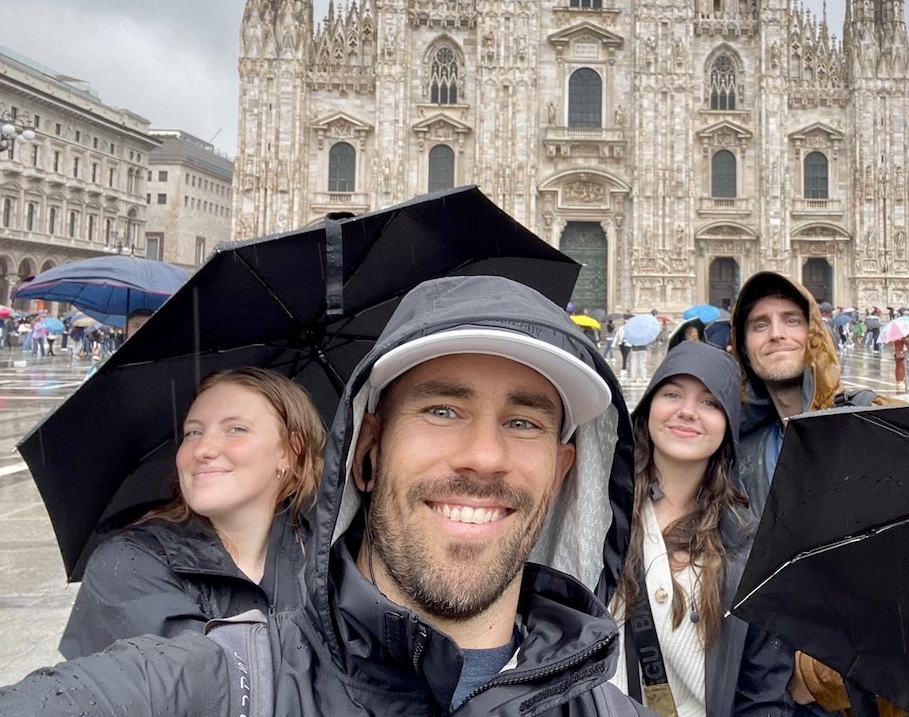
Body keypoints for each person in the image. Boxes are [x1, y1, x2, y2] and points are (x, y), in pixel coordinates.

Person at [2, 275, 642, 717]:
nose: (484, 455)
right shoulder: (221, 685)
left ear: (562, 473)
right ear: (366, 449)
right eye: (442, 410)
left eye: (523, 421)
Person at [729, 271, 905, 717]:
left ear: (815, 333)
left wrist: (820, 676)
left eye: (791, 319)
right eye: (760, 324)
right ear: (743, 345)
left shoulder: (868, 422)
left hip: (858, 690)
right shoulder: (738, 449)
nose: (777, 334)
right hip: (763, 687)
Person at [58, 367, 325, 658]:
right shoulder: (128, 562)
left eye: (235, 429)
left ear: (289, 451)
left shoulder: (331, 556)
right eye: (193, 432)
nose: (203, 449)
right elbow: (203, 686)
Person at [610, 341, 793, 717]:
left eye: (710, 402)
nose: (687, 412)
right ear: (647, 409)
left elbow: (762, 693)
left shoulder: (749, 545)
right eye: (672, 393)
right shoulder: (601, 516)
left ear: (728, 424)